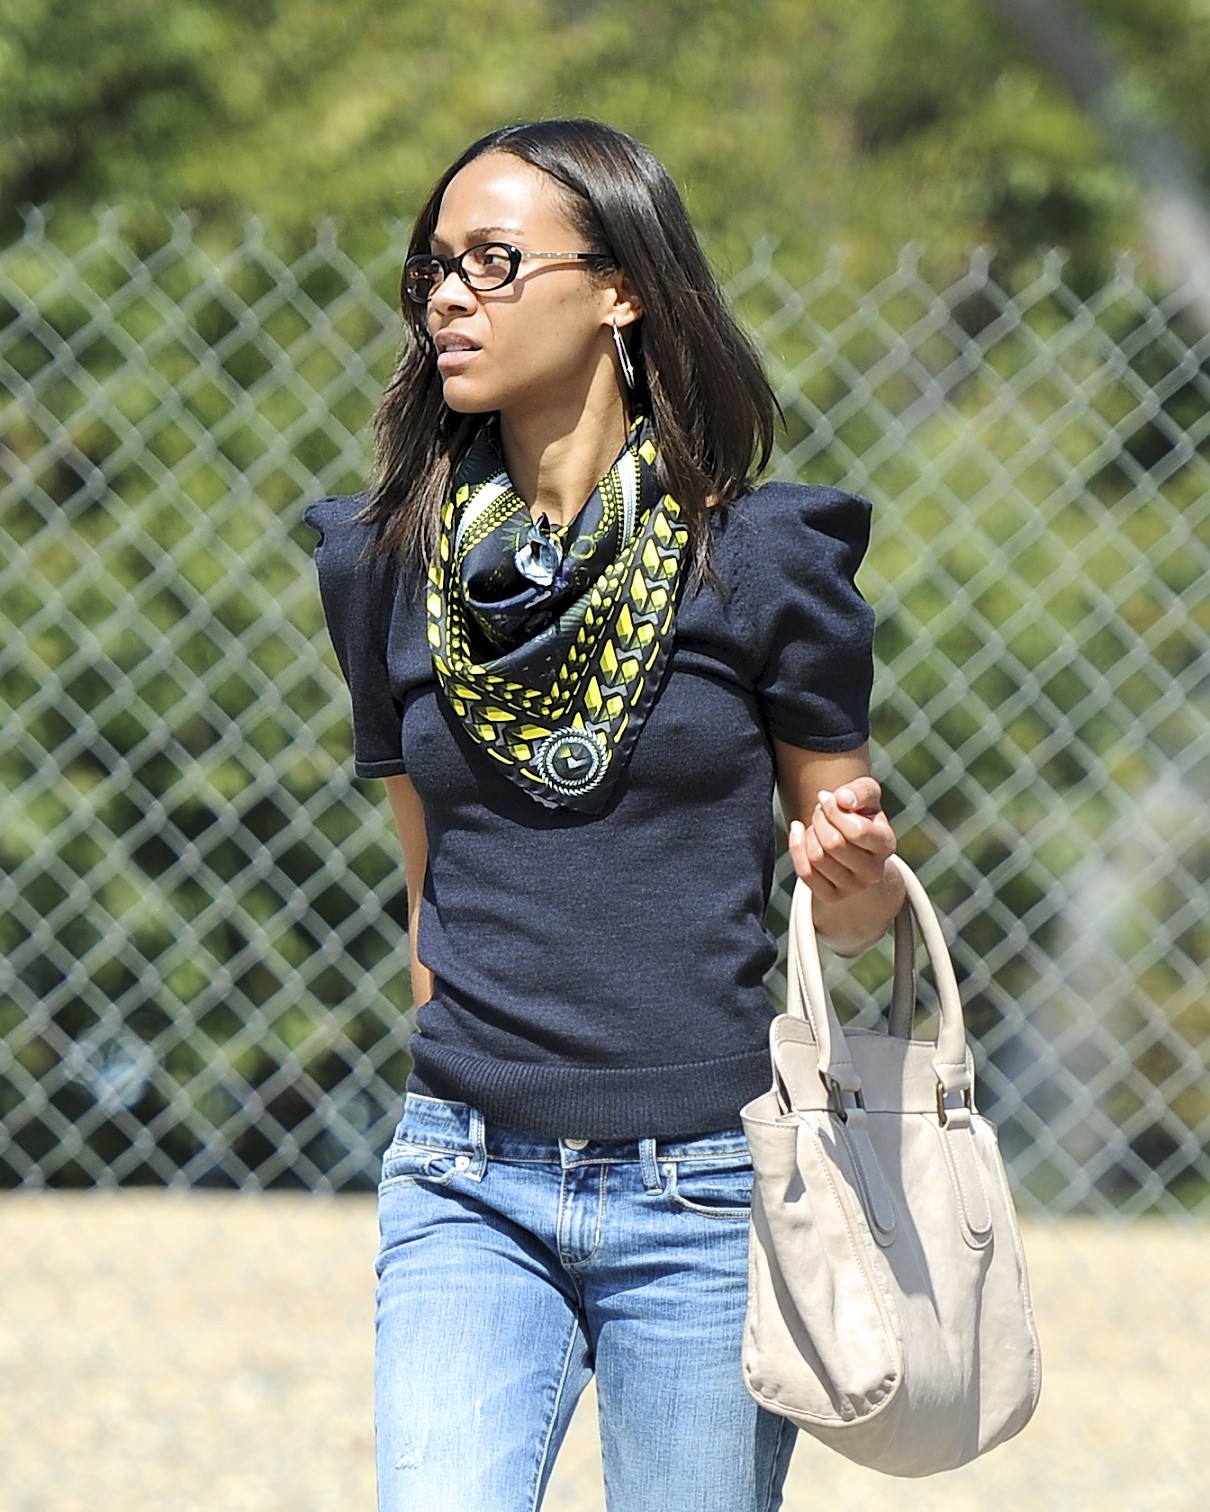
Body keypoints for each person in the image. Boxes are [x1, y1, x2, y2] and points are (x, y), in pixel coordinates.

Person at [305, 117, 903, 1512]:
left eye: (495, 263)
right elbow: (427, 890)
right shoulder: (387, 564)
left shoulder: (761, 560)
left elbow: (858, 920)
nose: (449, 298)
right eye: (434, 269)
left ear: (621, 288)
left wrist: (852, 874)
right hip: (464, 1178)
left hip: (707, 1193)